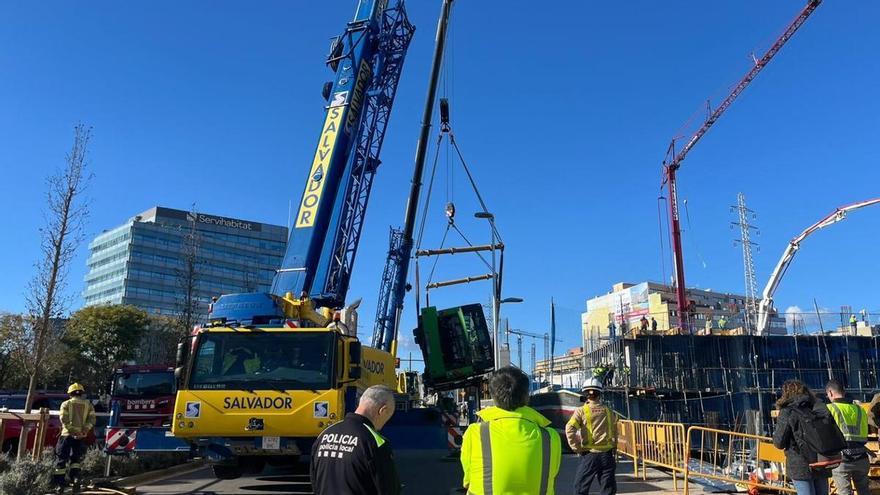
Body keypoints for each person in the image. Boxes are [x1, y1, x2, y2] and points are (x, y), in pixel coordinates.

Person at [460, 366, 561, 494]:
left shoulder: (475, 433)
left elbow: (468, 479)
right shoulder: (550, 437)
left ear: (493, 396)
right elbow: (552, 473)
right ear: (526, 396)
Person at [310, 385, 400, 495]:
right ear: (382, 410)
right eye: (388, 415)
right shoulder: (375, 441)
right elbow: (388, 490)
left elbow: (315, 482)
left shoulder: (324, 435)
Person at [773, 379, 834, 495]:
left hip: (800, 464)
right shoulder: (818, 406)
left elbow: (779, 443)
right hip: (821, 459)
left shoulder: (787, 411)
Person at [566, 377, 617, 495]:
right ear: (600, 393)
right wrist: (614, 446)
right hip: (607, 455)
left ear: (585, 393)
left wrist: (576, 448)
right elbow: (615, 430)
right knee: (608, 489)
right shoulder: (608, 411)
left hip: (589, 455)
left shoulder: (581, 411)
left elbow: (570, 428)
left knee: (580, 488)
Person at [825, 380, 870, 495]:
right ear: (844, 392)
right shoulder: (860, 410)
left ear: (830, 393)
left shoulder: (829, 409)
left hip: (842, 460)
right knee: (864, 491)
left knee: (845, 493)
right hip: (862, 458)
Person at [53, 383, 96, 494]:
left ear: (70, 393)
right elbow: (92, 420)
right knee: (75, 459)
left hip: (67, 435)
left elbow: (64, 419)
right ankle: (76, 479)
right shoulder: (88, 405)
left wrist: (73, 431)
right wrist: (84, 431)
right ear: (81, 393)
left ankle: (59, 485)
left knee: (61, 459)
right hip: (81, 437)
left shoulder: (66, 404)